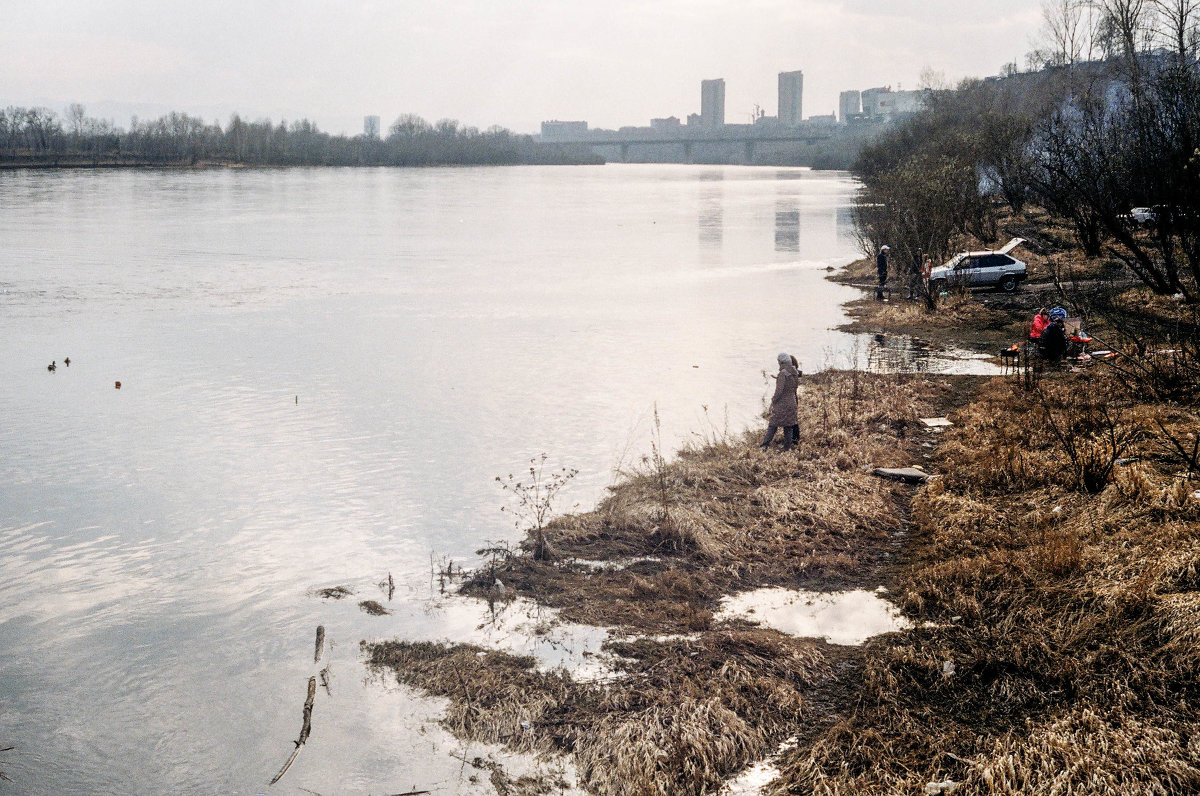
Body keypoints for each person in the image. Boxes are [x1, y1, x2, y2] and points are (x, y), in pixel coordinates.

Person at [761, 353, 800, 451]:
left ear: (781, 362)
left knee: (773, 424)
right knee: (788, 426)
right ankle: (787, 446)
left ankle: (765, 445)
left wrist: (773, 401)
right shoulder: (795, 372)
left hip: (783, 403)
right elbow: (794, 387)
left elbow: (779, 391)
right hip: (792, 401)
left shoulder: (782, 374)